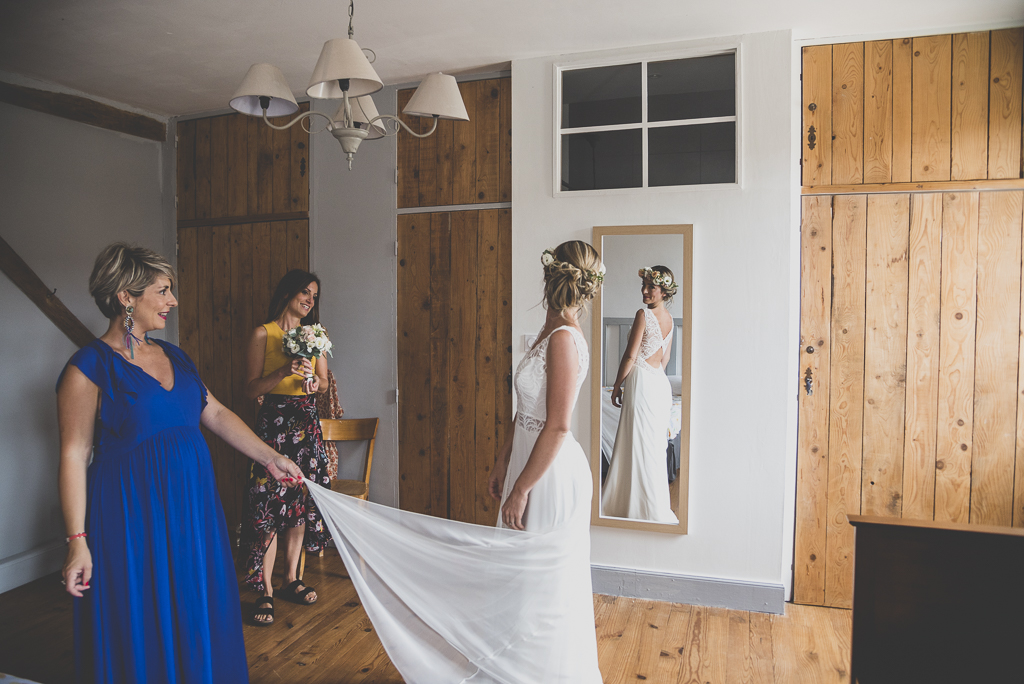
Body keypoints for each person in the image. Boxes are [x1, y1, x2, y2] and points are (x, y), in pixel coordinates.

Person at [303, 240, 605, 684]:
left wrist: (522, 486)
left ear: (550, 277)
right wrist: (503, 461)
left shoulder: (563, 339)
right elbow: (524, 412)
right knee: (517, 580)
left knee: (540, 585)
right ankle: (511, 666)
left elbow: (557, 426)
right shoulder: (545, 332)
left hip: (551, 471)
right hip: (525, 458)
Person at [58, 243, 304, 684]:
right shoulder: (88, 367)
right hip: (131, 514)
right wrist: (77, 540)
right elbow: (74, 455)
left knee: (193, 602)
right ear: (126, 297)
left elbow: (216, 412)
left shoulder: (176, 356)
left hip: (192, 509)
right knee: (142, 607)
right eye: (163, 291)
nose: (173, 301)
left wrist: (270, 457)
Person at [242, 269, 332, 625]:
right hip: (274, 427)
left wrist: (314, 383)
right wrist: (283, 372)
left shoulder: (317, 335)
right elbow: (250, 389)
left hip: (306, 426)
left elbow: (324, 383)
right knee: (269, 506)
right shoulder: (263, 334)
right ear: (288, 294)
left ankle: (290, 579)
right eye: (305, 293)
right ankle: (264, 590)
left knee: (298, 503)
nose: (309, 300)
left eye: (314, 295)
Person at [601, 265, 680, 523]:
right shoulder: (671, 322)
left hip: (643, 381)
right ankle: (651, 505)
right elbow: (665, 360)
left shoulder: (643, 315)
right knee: (652, 446)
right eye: (644, 285)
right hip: (659, 383)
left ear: (664, 291)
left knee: (636, 442)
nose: (645, 291)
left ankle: (632, 506)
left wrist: (616, 386)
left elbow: (631, 355)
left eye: (651, 287)